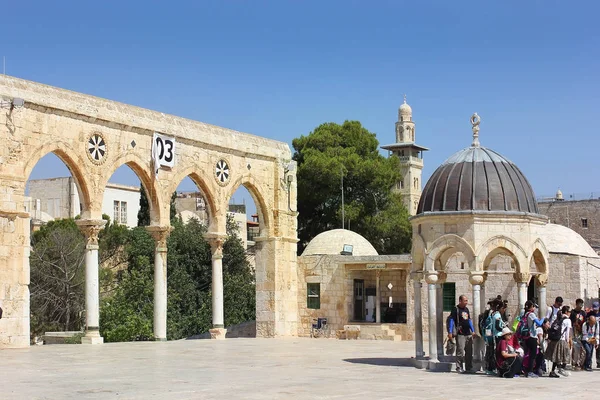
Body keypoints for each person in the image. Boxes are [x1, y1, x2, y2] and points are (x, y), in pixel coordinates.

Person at [448, 295, 477, 373]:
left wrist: (473, 331)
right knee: (460, 351)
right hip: (460, 334)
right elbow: (451, 320)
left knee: (469, 351)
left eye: (467, 300)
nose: (466, 302)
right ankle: (459, 367)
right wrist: (450, 332)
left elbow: (469, 320)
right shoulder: (455, 309)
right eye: (465, 300)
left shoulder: (466, 309)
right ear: (460, 301)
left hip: (468, 333)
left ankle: (469, 367)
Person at [545, 306, 572, 378]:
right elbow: (567, 333)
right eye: (569, 311)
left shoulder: (558, 318)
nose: (570, 313)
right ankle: (561, 368)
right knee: (566, 355)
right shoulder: (567, 320)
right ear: (566, 311)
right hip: (562, 340)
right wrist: (568, 341)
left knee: (556, 356)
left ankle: (553, 371)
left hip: (555, 339)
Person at [520, 300, 544, 378]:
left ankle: (526, 370)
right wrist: (543, 318)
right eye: (533, 306)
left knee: (528, 354)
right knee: (532, 355)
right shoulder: (531, 315)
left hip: (526, 337)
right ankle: (530, 371)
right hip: (532, 336)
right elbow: (539, 324)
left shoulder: (525, 314)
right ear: (531, 307)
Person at [570, 298, 587, 370]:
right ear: (576, 304)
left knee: (583, 349)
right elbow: (571, 323)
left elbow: (585, 323)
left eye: (582, 305)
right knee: (576, 348)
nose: (581, 306)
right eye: (580, 304)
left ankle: (581, 363)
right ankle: (575, 363)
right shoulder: (573, 312)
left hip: (582, 332)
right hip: (575, 332)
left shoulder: (583, 313)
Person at [586, 301, 600, 368]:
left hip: (598, 332)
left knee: (598, 348)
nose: (595, 310)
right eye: (594, 309)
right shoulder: (589, 314)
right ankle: (589, 363)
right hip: (591, 333)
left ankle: (598, 362)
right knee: (590, 349)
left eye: (596, 309)